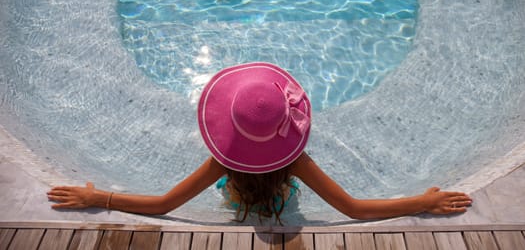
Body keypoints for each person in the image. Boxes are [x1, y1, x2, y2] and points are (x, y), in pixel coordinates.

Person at [47, 62, 472, 223]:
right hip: (281, 199)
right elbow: (354, 210)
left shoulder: (222, 164)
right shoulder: (296, 163)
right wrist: (422, 203)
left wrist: (97, 196)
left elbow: (162, 205)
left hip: (237, 200)